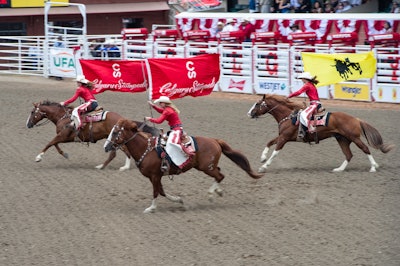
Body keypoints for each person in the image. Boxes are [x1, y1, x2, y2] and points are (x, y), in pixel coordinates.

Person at [145, 96, 194, 167]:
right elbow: (161, 111)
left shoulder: (167, 110)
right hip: (176, 129)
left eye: (160, 103)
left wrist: (150, 119)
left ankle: (186, 152)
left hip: (176, 130)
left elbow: (159, 121)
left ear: (165, 103)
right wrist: (153, 106)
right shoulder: (168, 109)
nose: (159, 104)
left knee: (171, 143)